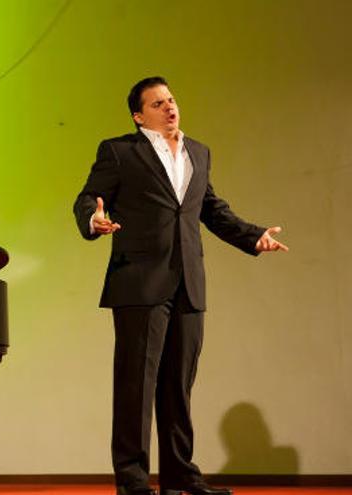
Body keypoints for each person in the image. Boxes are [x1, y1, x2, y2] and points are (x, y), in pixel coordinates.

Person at [73, 77, 288, 495]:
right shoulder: (119, 152)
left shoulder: (198, 153)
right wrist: (93, 221)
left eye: (171, 99)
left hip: (189, 282)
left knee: (178, 385)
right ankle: (134, 482)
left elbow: (211, 209)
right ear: (139, 116)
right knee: (136, 386)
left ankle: (180, 476)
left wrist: (253, 236)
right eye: (157, 104)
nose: (170, 108)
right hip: (139, 284)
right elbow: (88, 198)